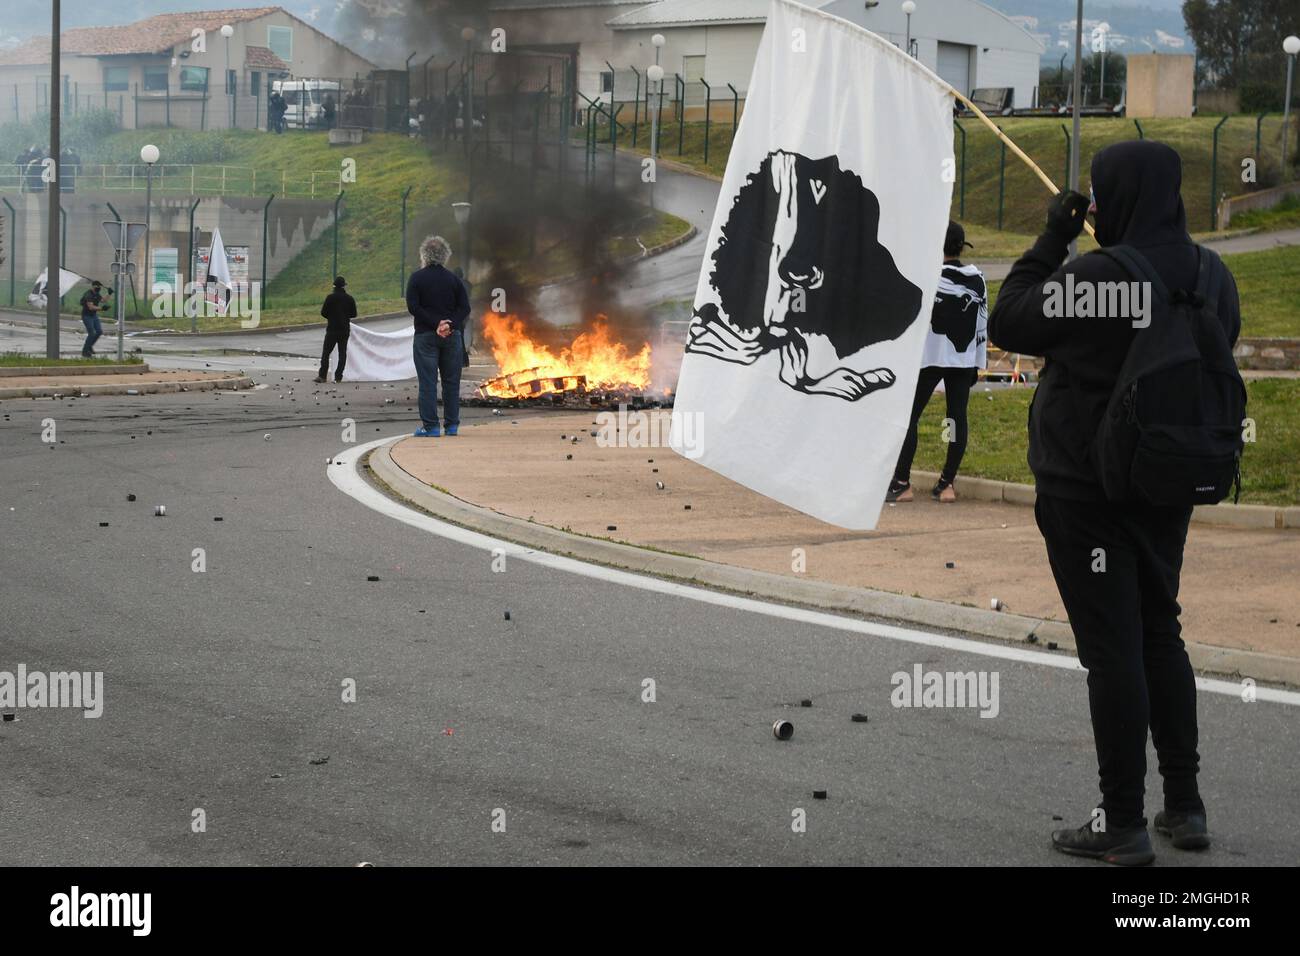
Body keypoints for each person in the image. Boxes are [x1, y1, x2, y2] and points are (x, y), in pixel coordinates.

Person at [989, 140, 1240, 866]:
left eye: (1098, 196)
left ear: (1113, 199)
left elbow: (1008, 320)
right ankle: (1184, 806)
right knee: (1161, 630)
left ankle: (1122, 821)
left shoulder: (1102, 276)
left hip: (1086, 488)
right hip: (1170, 480)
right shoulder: (1212, 272)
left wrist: (1054, 235)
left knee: (1113, 653)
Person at [888, 221, 988, 503]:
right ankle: (947, 484)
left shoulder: (927, 275)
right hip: (962, 357)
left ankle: (902, 481)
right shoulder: (977, 277)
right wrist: (978, 361)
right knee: (955, 418)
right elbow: (982, 321)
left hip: (928, 357)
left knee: (909, 417)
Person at [406, 236, 469, 437]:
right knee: (451, 382)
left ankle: (431, 427)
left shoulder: (416, 278)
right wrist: (449, 323)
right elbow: (465, 307)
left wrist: (435, 324)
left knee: (428, 382)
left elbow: (413, 306)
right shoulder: (454, 279)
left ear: (423, 255)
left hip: (425, 336)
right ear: (445, 256)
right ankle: (452, 425)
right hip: (452, 337)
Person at [316, 276, 356, 384]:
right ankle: (338, 377)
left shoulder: (330, 298)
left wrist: (332, 317)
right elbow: (354, 314)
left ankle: (322, 376)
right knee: (342, 353)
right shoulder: (349, 298)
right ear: (344, 286)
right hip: (344, 330)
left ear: (334, 286)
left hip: (332, 329)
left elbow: (323, 312)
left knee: (326, 352)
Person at [79, 280, 106, 357]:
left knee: (99, 331)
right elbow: (91, 307)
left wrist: (109, 294)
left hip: (94, 315)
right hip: (87, 316)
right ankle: (85, 351)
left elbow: (103, 300)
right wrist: (102, 309)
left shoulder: (96, 294)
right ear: (93, 286)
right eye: (97, 286)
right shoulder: (88, 295)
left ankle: (89, 346)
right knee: (92, 333)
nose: (98, 288)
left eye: (99, 287)